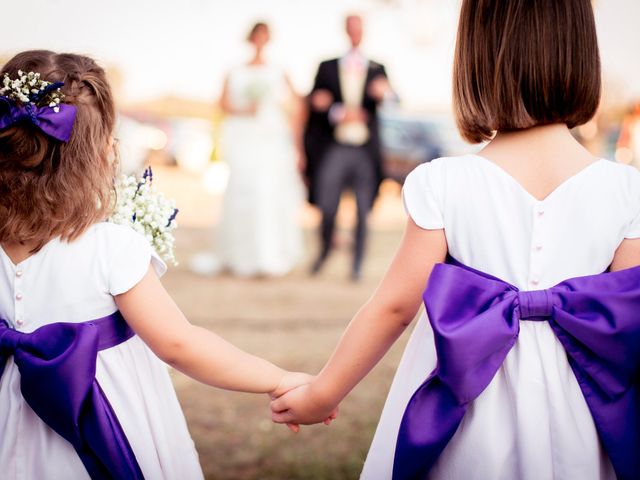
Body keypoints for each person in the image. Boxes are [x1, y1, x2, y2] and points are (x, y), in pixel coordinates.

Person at [271, 1, 640, 479]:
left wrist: (323, 393)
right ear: (581, 55)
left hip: (467, 401)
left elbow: (393, 307)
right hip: (582, 409)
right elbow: (627, 311)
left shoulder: (444, 182)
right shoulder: (625, 188)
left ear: (476, 61)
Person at [0, 50, 327, 480]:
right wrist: (277, 378)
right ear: (98, 153)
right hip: (104, 421)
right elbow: (180, 344)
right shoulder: (111, 248)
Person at [305, 14, 394, 281]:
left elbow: (393, 100)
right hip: (336, 146)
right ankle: (323, 252)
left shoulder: (378, 68)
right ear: (346, 31)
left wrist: (384, 94)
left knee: (363, 209)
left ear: (363, 32)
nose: (356, 32)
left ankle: (356, 266)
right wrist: (335, 111)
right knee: (328, 205)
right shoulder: (326, 66)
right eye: (351, 28)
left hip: (366, 150)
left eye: (360, 28)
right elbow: (315, 101)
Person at [213, 21, 304, 277]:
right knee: (243, 190)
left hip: (270, 138)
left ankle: (271, 253)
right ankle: (240, 254)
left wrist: (295, 138)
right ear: (251, 38)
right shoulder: (235, 71)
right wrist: (245, 109)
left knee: (269, 191)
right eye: (257, 36)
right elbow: (222, 104)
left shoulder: (279, 70)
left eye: (265, 36)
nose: (260, 40)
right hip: (243, 137)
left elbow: (297, 104)